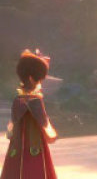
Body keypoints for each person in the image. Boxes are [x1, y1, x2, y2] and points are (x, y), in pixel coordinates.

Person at [0, 51, 57, 179]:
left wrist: (10, 134)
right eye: (40, 80)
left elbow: (13, 121)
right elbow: (43, 121)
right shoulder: (35, 100)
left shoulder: (18, 99)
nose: (41, 83)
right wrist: (51, 133)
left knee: (14, 169)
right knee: (36, 169)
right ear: (32, 79)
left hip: (17, 143)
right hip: (34, 143)